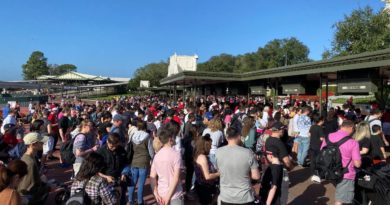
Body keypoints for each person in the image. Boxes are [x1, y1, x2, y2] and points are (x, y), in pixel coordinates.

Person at [215, 127, 260, 205]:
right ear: (239, 136)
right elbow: (256, 176)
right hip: (244, 197)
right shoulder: (248, 153)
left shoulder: (218, 152)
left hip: (226, 197)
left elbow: (219, 170)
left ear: (226, 137)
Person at [320, 120, 361, 205]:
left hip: (329, 171)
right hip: (345, 174)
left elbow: (322, 151)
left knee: (340, 195)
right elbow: (357, 163)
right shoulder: (353, 142)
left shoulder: (328, 136)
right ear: (351, 128)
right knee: (341, 200)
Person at [260, 122, 294, 205]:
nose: (284, 131)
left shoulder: (268, 140)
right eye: (283, 129)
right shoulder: (279, 143)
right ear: (279, 130)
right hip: (279, 168)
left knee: (267, 188)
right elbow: (286, 161)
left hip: (270, 167)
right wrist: (291, 167)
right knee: (278, 191)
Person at [150, 127, 184, 205]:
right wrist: (168, 197)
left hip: (161, 194)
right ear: (170, 139)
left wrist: (156, 194)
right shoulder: (176, 155)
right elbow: (176, 178)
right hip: (175, 195)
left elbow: (152, 177)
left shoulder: (157, 155)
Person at [124, 121, 154, 205]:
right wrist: (153, 158)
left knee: (132, 182)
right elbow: (150, 151)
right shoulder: (147, 136)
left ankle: (130, 200)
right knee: (141, 183)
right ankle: (140, 201)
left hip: (134, 160)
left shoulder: (133, 135)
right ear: (145, 127)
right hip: (144, 161)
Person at [17, 132, 50, 205]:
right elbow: (29, 188)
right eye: (40, 142)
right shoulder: (30, 162)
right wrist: (48, 187)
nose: (43, 143)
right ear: (33, 145)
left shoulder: (28, 157)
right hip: (29, 198)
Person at [97, 133, 127, 205]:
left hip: (119, 180)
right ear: (107, 141)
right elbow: (96, 170)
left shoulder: (121, 150)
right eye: (111, 146)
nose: (114, 148)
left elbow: (126, 164)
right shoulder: (100, 152)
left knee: (121, 200)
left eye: (116, 146)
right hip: (105, 183)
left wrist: (124, 173)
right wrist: (106, 177)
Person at [193, 134, 220, 205]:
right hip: (204, 187)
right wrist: (219, 173)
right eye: (210, 145)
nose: (211, 147)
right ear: (205, 146)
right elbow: (207, 176)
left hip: (203, 186)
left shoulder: (200, 155)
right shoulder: (202, 157)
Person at [308, 114, 325, 183]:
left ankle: (313, 174)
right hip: (318, 147)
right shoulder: (320, 128)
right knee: (319, 161)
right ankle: (319, 175)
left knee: (312, 161)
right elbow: (322, 139)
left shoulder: (312, 126)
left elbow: (309, 134)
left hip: (312, 145)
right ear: (321, 120)